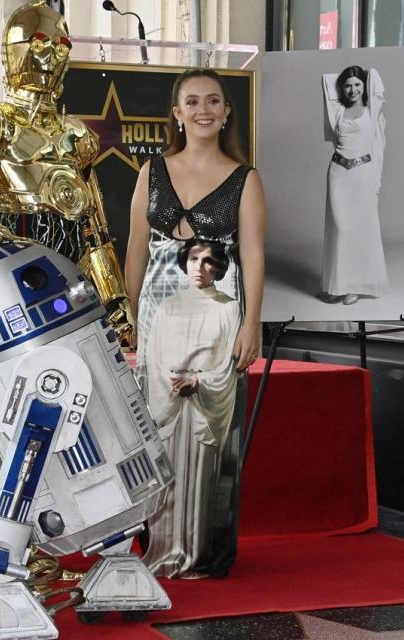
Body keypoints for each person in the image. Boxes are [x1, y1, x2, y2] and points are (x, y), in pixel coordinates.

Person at [0, 1, 135, 345]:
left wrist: (115, 299)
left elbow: (95, 229)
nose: (53, 55)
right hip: (15, 253)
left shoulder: (77, 134)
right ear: (17, 49)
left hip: (75, 265)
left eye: (61, 47)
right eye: (39, 43)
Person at [125, 67, 267, 578]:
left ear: (227, 111)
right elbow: (136, 250)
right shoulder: (151, 172)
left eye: (213, 100)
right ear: (176, 112)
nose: (203, 109)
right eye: (192, 101)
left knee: (208, 427)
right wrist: (130, 315)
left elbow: (252, 257)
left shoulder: (245, 178)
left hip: (217, 316)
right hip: (158, 314)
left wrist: (252, 324)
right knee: (152, 427)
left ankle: (205, 550)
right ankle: (151, 542)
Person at [141, 240, 240, 578]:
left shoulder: (228, 308)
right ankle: (162, 553)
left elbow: (228, 364)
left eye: (209, 261)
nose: (200, 267)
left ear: (219, 268)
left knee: (198, 484)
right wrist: (168, 383)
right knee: (166, 484)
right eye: (194, 259)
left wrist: (199, 383)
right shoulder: (167, 307)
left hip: (201, 410)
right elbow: (152, 359)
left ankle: (194, 556)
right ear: (184, 263)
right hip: (168, 405)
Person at [318, 65, 389, 306]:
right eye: (348, 85)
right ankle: (337, 285)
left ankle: (355, 287)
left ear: (365, 86)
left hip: (363, 174)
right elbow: (326, 81)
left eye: (358, 84)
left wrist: (376, 180)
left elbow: (379, 150)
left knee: (358, 230)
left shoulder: (374, 113)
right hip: (338, 174)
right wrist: (344, 79)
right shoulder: (337, 112)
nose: (353, 89)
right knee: (340, 229)